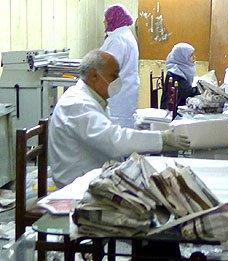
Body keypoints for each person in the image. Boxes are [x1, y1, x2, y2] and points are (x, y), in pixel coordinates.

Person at [49, 50, 190, 188]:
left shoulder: (92, 99)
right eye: (114, 75)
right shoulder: (78, 104)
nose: (118, 81)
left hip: (96, 171)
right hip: (77, 183)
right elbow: (114, 141)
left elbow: (112, 136)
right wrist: (162, 139)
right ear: (94, 76)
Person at [100, 4, 139, 128]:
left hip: (118, 97)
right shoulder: (125, 35)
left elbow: (108, 67)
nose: (104, 22)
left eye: (106, 18)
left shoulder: (118, 39)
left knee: (116, 133)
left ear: (112, 19)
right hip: (125, 92)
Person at [160, 43, 200, 109]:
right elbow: (188, 92)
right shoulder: (175, 73)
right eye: (191, 55)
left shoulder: (182, 68)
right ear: (181, 57)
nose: (194, 57)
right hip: (172, 110)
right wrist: (203, 89)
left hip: (178, 105)